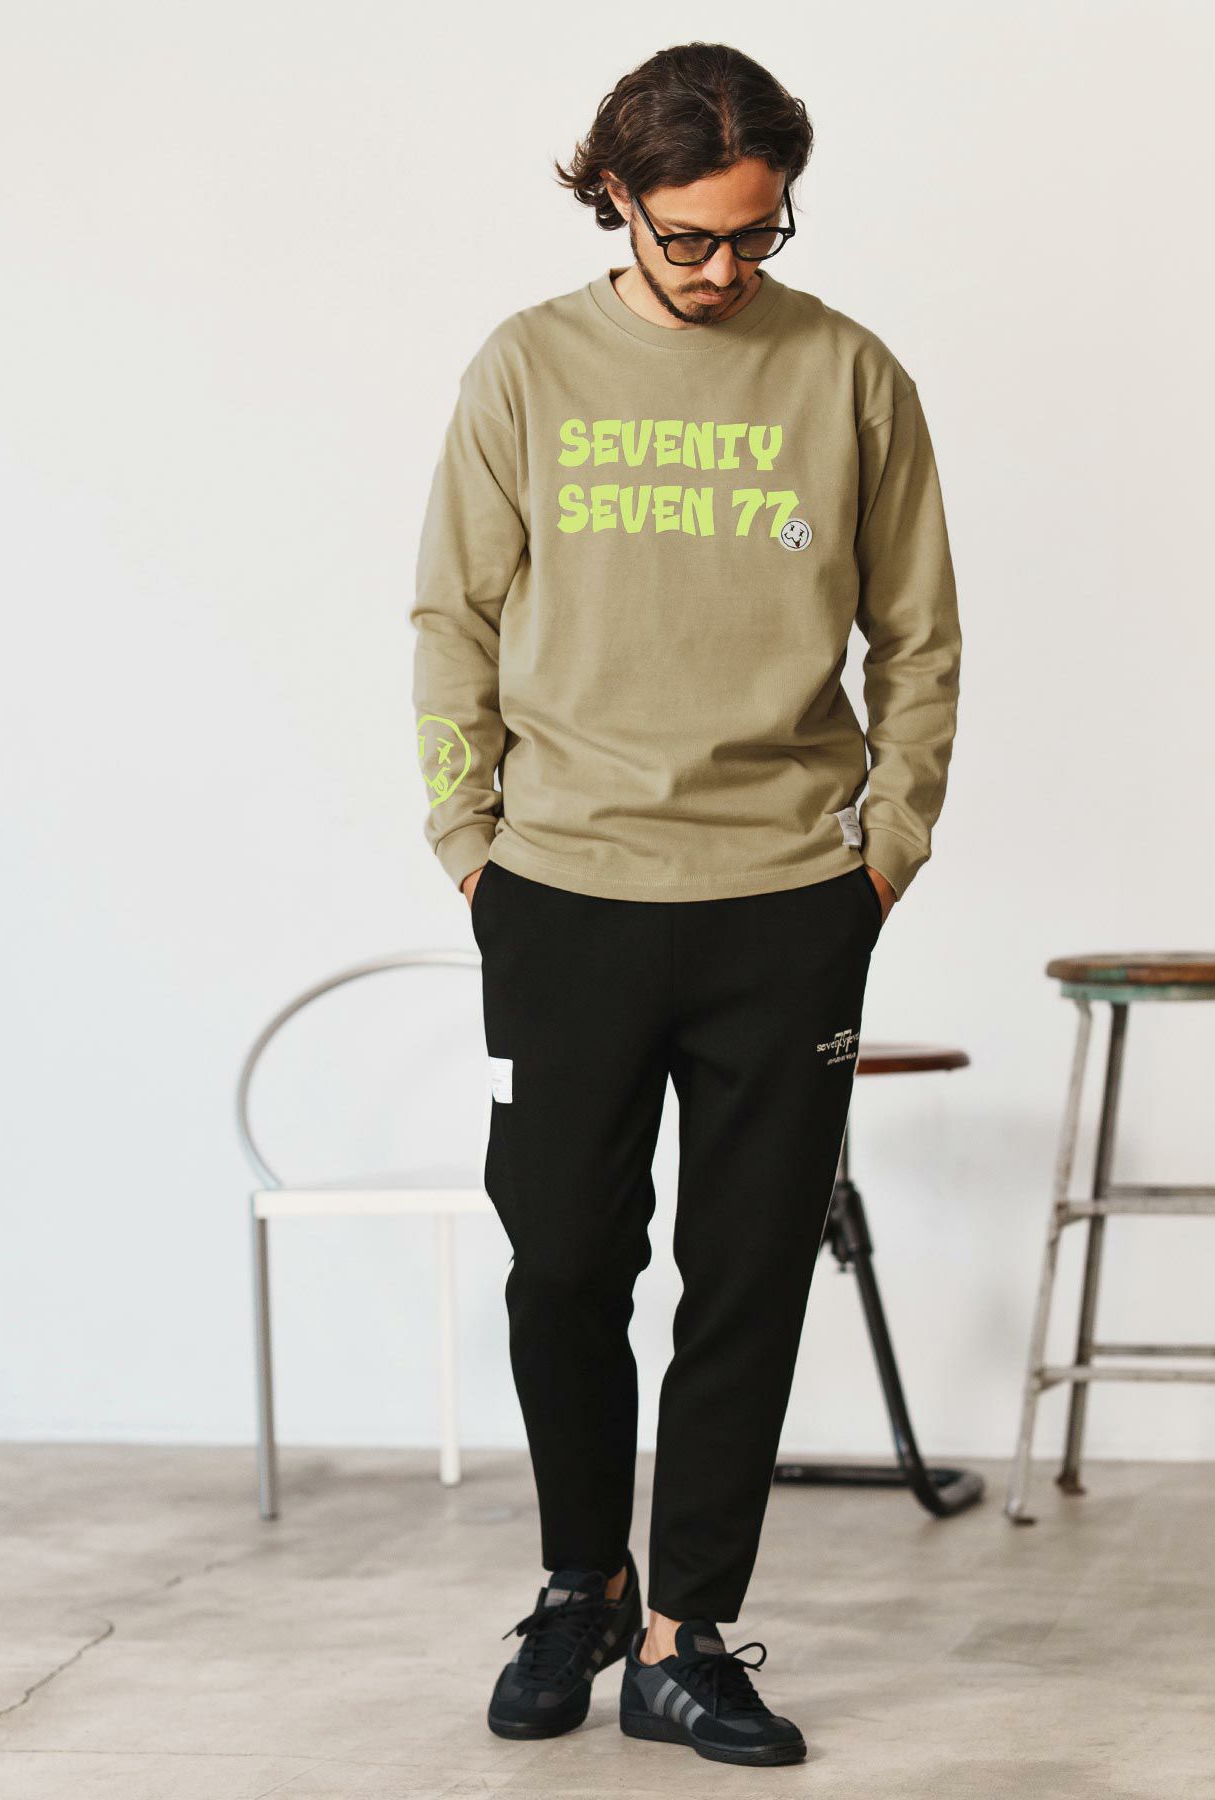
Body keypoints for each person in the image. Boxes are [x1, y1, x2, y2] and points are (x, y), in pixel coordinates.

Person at [409, 39, 961, 1770]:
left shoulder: (849, 375)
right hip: (563, 891)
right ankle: (582, 1583)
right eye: (690, 237)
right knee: (566, 1261)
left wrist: (888, 848)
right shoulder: (527, 369)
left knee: (748, 1277)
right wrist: (469, 840)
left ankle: (682, 1639)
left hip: (787, 898)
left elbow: (920, 637)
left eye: (757, 233)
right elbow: (451, 619)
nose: (726, 269)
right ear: (616, 199)